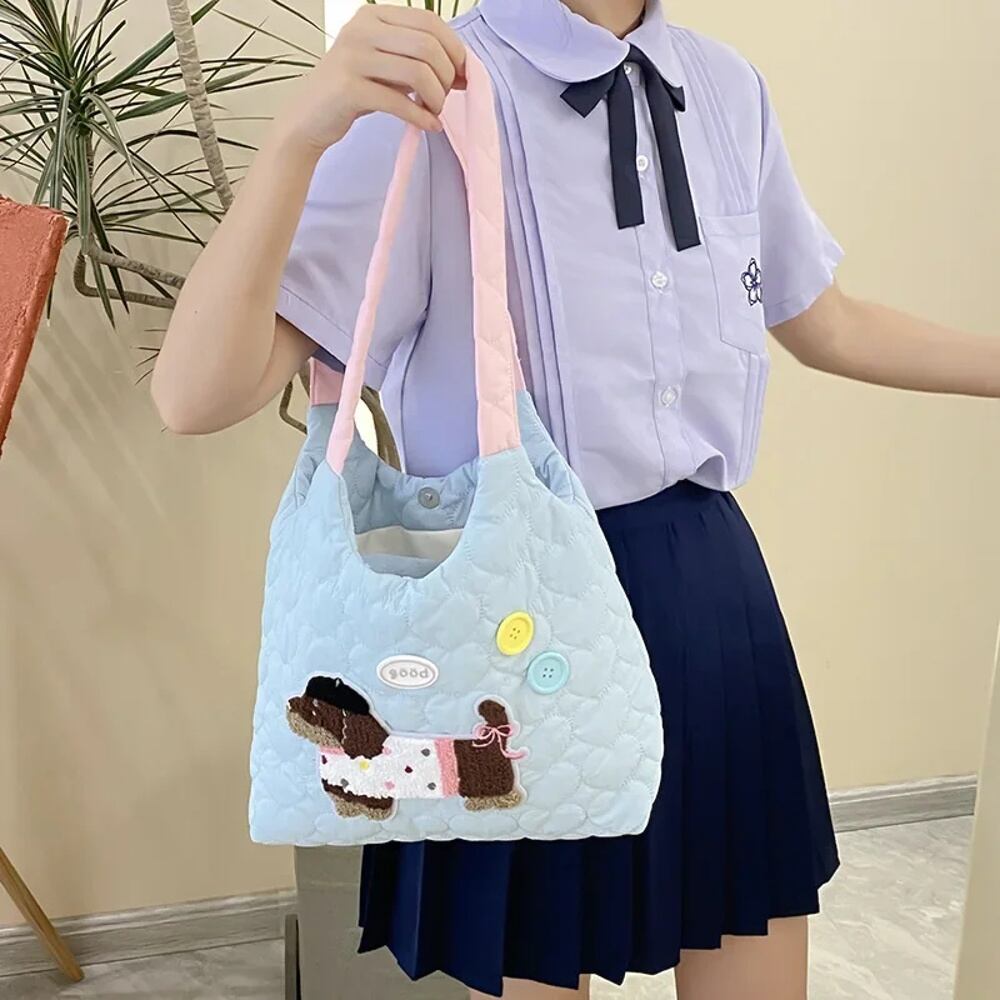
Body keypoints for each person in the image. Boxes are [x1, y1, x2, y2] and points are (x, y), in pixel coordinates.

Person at [152, 1, 1000, 997]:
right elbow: (194, 395)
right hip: (514, 614)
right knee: (538, 950)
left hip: (708, 592)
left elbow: (827, 322)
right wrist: (299, 136)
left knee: (750, 929)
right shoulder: (432, 100)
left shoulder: (724, 89)